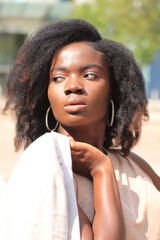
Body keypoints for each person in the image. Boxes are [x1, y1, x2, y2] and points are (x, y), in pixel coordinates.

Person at [0, 19, 160, 240]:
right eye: (58, 78)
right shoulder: (46, 162)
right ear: (45, 93)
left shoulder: (133, 164)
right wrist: (101, 170)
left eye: (89, 75)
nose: (72, 86)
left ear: (113, 89)